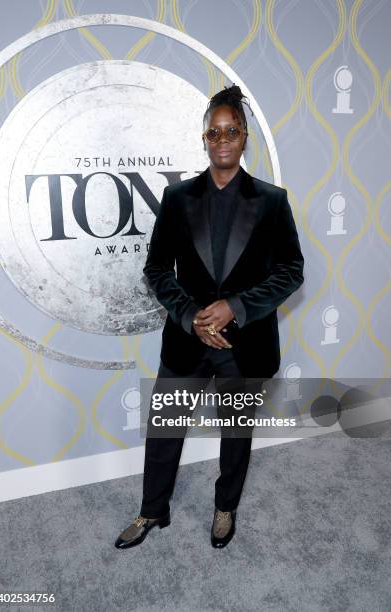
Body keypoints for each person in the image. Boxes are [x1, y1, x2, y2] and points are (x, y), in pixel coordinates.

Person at [115, 85, 304, 549]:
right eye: (214, 132)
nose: (223, 139)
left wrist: (234, 308)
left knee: (235, 435)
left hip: (246, 342)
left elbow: (291, 271)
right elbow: (157, 268)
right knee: (164, 429)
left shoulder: (272, 201)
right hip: (187, 339)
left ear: (244, 139)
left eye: (232, 131)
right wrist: (192, 316)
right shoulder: (177, 198)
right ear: (204, 138)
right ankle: (151, 511)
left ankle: (225, 507)